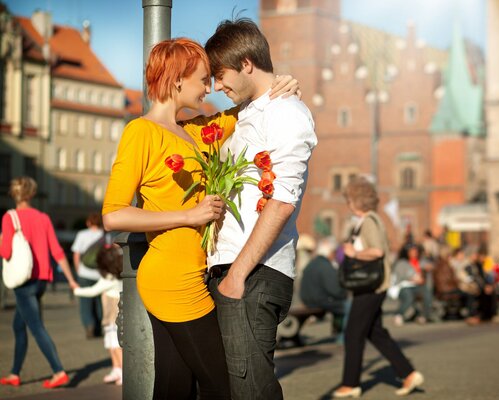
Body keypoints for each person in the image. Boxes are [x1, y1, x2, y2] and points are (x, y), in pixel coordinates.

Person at [102, 37, 299, 400]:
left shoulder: (196, 132)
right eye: (203, 79)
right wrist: (190, 215)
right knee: (220, 385)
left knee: (176, 386)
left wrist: (281, 84)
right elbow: (113, 215)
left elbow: (251, 100)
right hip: (171, 278)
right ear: (177, 80)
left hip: (194, 273)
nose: (210, 87)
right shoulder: (141, 132)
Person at [200, 18, 317, 400]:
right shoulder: (249, 113)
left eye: (221, 75)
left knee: (251, 390)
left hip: (254, 274)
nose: (218, 87)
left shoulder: (287, 113)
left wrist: (237, 275)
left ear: (246, 63)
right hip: (234, 270)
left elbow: (282, 200)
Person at [333, 176, 424, 398]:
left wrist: (354, 253)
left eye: (349, 200)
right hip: (374, 287)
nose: (348, 204)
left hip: (370, 287)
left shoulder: (369, 221)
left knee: (353, 334)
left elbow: (378, 251)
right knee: (376, 333)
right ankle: (408, 373)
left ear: (356, 200)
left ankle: (350, 383)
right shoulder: (369, 221)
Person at [0, 177, 78, 389]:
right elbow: (57, 251)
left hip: (23, 281)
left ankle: (58, 371)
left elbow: (5, 252)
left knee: (36, 327)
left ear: (13, 195)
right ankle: (14, 373)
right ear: (32, 194)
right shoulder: (43, 217)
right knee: (19, 324)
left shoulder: (9, 218)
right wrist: (71, 279)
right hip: (42, 279)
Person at [74, 242, 124, 385]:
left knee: (115, 344)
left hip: (112, 317)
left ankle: (122, 371)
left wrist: (76, 290)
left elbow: (92, 291)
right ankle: (116, 369)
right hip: (113, 317)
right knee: (111, 343)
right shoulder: (118, 275)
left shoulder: (108, 278)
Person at [300, 236, 348, 336]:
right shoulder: (325, 266)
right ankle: (341, 336)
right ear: (329, 252)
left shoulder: (312, 263)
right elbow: (335, 290)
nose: (334, 255)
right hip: (320, 301)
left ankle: (338, 332)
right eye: (333, 252)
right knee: (347, 306)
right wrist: (345, 293)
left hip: (307, 300)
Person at [71, 212, 104, 338]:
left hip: (85, 273)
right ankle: (100, 326)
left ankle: (89, 325)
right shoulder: (105, 235)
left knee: (85, 302)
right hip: (101, 274)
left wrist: (78, 270)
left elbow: (76, 254)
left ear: (88, 222)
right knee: (99, 302)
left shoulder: (82, 234)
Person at [392, 245, 432, 325]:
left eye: (416, 251)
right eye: (412, 251)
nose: (414, 253)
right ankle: (399, 314)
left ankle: (423, 316)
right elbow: (400, 275)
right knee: (408, 298)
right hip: (404, 286)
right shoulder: (402, 263)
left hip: (418, 285)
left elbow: (430, 266)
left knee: (427, 294)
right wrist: (412, 279)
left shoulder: (421, 261)